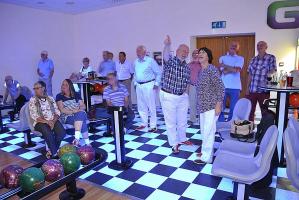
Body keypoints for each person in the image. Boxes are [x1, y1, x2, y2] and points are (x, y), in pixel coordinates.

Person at [161, 35, 193, 154]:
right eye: (183, 51)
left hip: (182, 97)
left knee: (182, 120)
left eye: (187, 52)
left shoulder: (187, 66)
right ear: (178, 51)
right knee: (171, 122)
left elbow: (187, 82)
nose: (185, 53)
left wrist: (185, 94)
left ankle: (182, 138)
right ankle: (174, 143)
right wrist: (167, 45)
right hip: (169, 96)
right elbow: (165, 54)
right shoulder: (170, 61)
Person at [194, 47, 224, 164]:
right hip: (203, 107)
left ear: (208, 56)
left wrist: (218, 105)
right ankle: (206, 151)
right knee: (204, 131)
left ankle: (207, 158)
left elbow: (220, 88)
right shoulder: (202, 70)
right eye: (199, 52)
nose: (200, 54)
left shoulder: (212, 69)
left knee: (208, 132)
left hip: (211, 106)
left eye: (203, 52)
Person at [29, 81, 66, 159]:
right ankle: (54, 155)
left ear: (43, 88)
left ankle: (51, 150)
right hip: (40, 122)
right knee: (48, 133)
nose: (35, 90)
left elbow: (57, 112)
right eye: (34, 88)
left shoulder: (50, 98)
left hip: (53, 120)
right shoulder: (33, 100)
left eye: (37, 88)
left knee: (62, 133)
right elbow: (34, 116)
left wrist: (53, 121)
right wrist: (47, 122)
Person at [96, 72, 135, 137]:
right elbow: (109, 103)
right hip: (113, 108)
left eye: (111, 78)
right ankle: (116, 132)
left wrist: (123, 108)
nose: (109, 80)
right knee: (113, 115)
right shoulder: (106, 89)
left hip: (123, 107)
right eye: (108, 79)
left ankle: (124, 129)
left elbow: (126, 100)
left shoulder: (123, 87)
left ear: (116, 79)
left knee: (132, 115)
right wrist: (117, 109)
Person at [133, 45, 162, 132]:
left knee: (151, 106)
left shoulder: (150, 61)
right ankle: (143, 123)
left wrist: (156, 84)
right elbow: (135, 74)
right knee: (141, 106)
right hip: (139, 86)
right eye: (137, 51)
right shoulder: (136, 62)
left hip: (149, 85)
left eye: (139, 51)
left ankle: (153, 125)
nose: (137, 53)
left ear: (144, 52)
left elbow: (158, 73)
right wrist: (135, 83)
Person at [246, 41, 277, 121]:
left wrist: (269, 74)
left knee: (264, 111)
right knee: (250, 111)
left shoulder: (271, 57)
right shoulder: (253, 59)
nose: (259, 46)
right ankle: (249, 129)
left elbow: (273, 71)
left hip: (264, 90)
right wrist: (247, 88)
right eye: (258, 45)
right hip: (252, 89)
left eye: (262, 45)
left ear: (266, 47)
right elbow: (250, 74)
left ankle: (265, 129)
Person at [56, 79, 89, 146]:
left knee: (81, 114)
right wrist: (73, 111)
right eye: (63, 84)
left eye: (66, 85)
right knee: (82, 121)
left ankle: (76, 139)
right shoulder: (59, 96)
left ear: (70, 87)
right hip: (67, 116)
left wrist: (78, 110)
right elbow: (62, 110)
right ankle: (87, 143)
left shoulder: (76, 94)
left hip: (78, 113)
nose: (63, 86)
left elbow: (83, 106)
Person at [218, 41, 244, 122]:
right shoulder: (222, 57)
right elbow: (223, 71)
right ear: (229, 47)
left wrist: (225, 66)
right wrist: (233, 68)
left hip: (235, 87)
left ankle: (230, 123)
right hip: (223, 85)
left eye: (235, 46)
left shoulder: (241, 58)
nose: (233, 46)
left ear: (238, 48)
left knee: (233, 107)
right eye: (232, 45)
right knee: (220, 106)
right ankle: (221, 122)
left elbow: (237, 70)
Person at [188, 49, 201, 124]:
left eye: (197, 53)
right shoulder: (189, 64)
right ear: (192, 55)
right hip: (192, 86)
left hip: (201, 87)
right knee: (192, 103)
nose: (195, 54)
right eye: (194, 53)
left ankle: (201, 119)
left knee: (200, 104)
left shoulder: (203, 64)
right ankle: (192, 119)